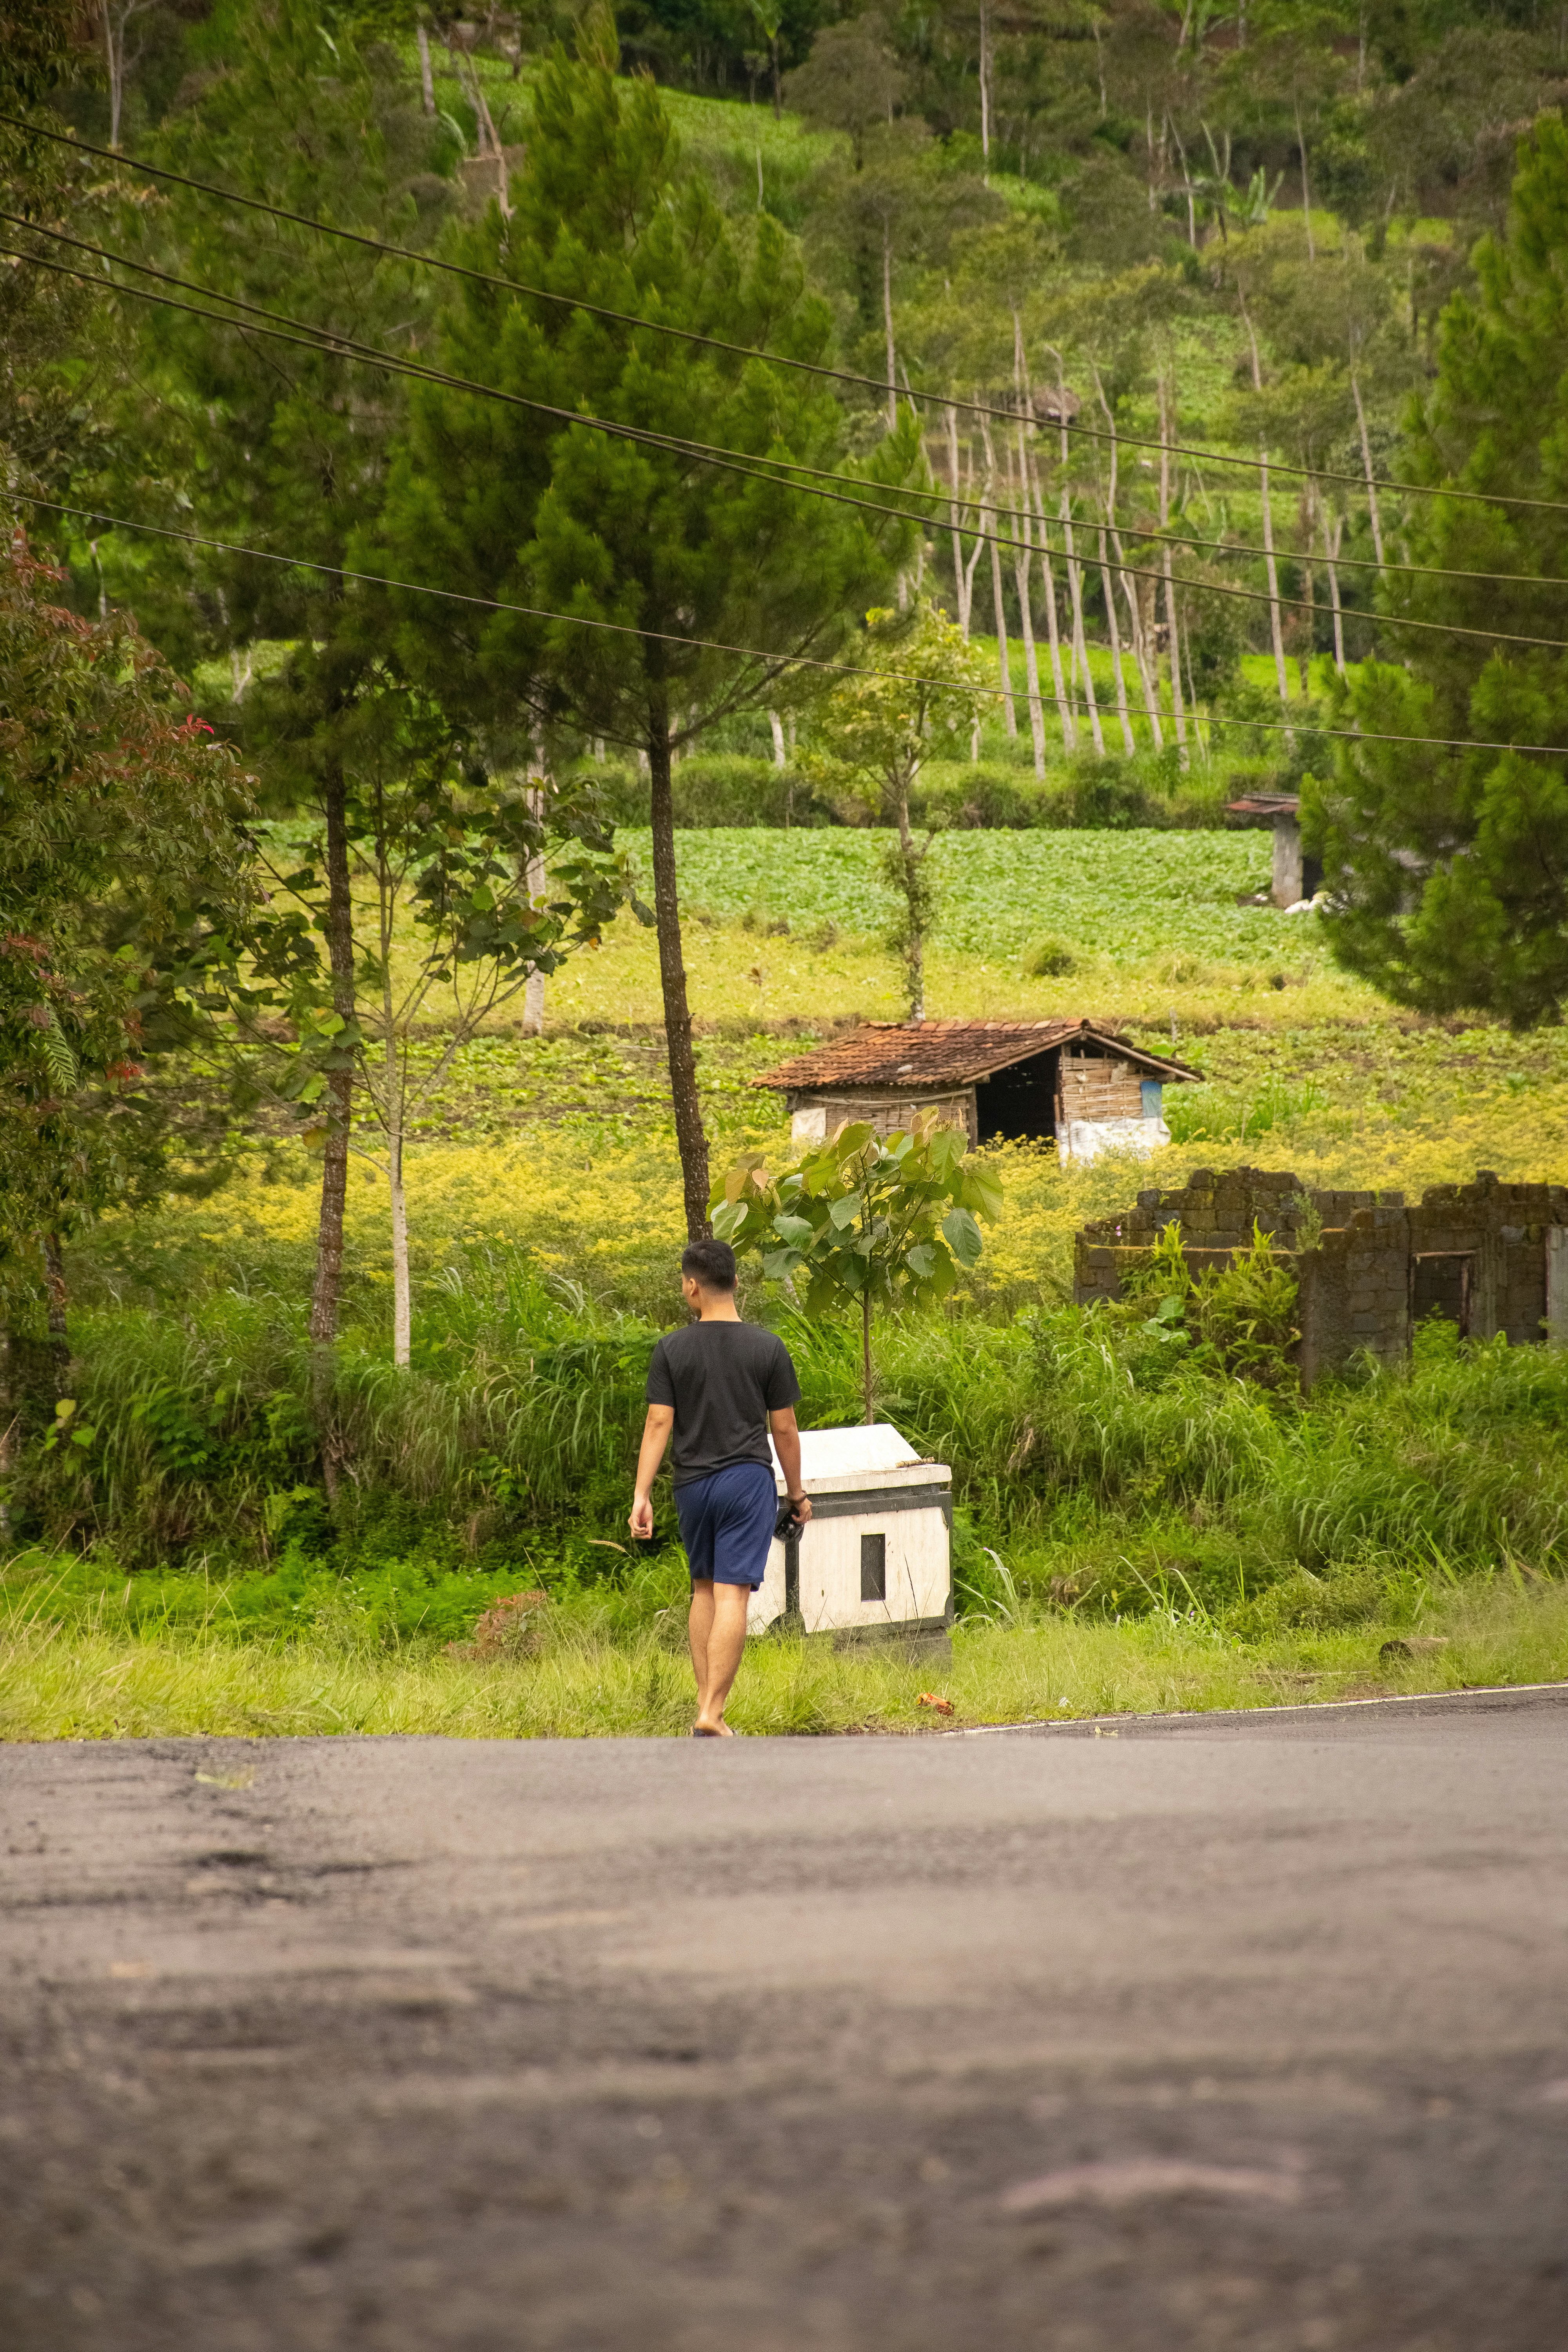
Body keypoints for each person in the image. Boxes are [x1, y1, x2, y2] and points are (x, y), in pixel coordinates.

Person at [630, 1237, 811, 1737]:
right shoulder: (767, 1347)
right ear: (735, 1282)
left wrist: (641, 1495)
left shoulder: (671, 1348)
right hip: (745, 1481)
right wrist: (796, 1495)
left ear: (691, 1286)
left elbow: (658, 1424)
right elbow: (785, 1430)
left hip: (691, 1486)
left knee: (703, 1590)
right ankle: (712, 1712)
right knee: (733, 1595)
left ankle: (704, 1707)